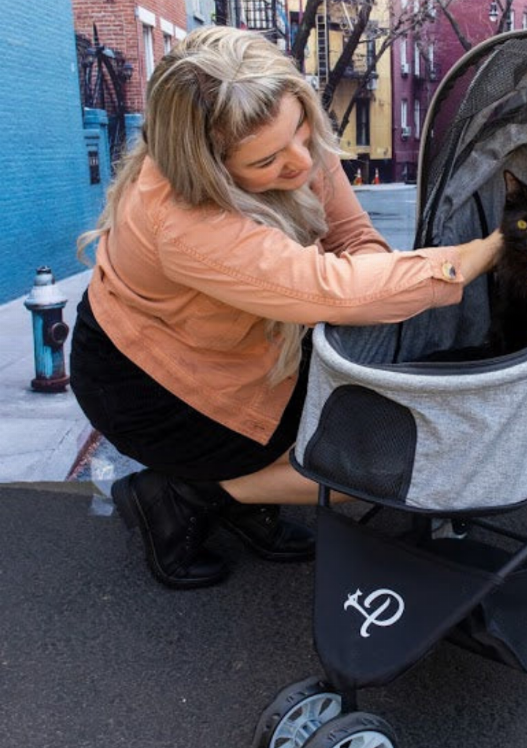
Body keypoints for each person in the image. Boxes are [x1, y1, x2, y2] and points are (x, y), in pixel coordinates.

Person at [70, 26, 502, 591]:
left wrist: (375, 305)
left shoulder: (284, 134)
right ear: (212, 167)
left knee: (354, 425)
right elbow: (330, 288)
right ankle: (187, 492)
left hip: (230, 347)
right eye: (268, 160)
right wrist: (474, 256)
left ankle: (239, 496)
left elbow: (355, 241)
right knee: (363, 463)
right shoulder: (182, 222)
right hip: (149, 386)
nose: (302, 162)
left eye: (302, 129)